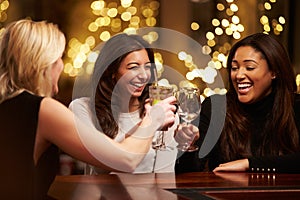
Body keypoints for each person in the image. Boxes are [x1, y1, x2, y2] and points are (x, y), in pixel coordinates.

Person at [0, 19, 177, 199]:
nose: (61, 65)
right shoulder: (42, 109)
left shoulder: (8, 105)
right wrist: (153, 119)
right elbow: (126, 160)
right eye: (59, 58)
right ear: (41, 64)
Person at [69, 33, 199, 174]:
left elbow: (164, 175)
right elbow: (101, 165)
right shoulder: (83, 109)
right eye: (133, 67)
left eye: (147, 67)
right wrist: (150, 123)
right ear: (112, 71)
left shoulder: (163, 112)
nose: (143, 75)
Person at [176, 33, 300, 174]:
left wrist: (250, 164)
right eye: (234, 68)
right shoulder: (216, 107)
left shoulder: (295, 106)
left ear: (274, 72)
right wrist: (186, 147)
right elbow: (188, 174)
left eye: (249, 67)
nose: (239, 75)